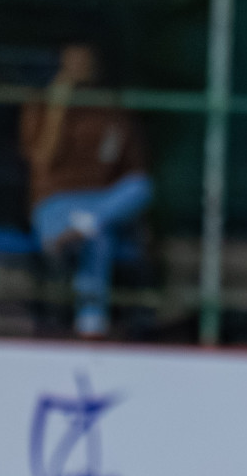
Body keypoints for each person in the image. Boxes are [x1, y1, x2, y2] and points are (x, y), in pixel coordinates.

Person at [19, 43, 152, 339]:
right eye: (72, 65)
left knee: (139, 189)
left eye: (85, 64)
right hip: (56, 203)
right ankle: (91, 319)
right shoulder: (43, 105)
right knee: (98, 235)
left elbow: (133, 172)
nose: (79, 72)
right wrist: (58, 106)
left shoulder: (112, 111)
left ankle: (85, 226)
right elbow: (41, 159)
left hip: (99, 203)